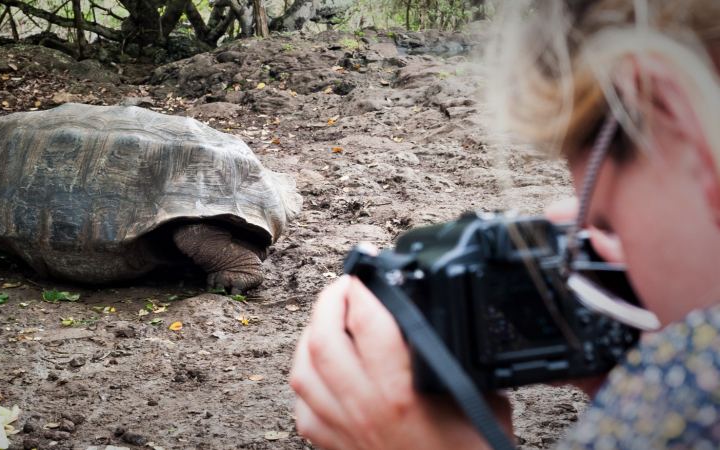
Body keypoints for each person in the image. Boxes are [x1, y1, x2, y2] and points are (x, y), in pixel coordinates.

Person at [289, 0, 720, 449]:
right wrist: (628, 393)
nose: (594, 242)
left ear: (679, 120)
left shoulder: (693, 390)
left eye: (604, 222)